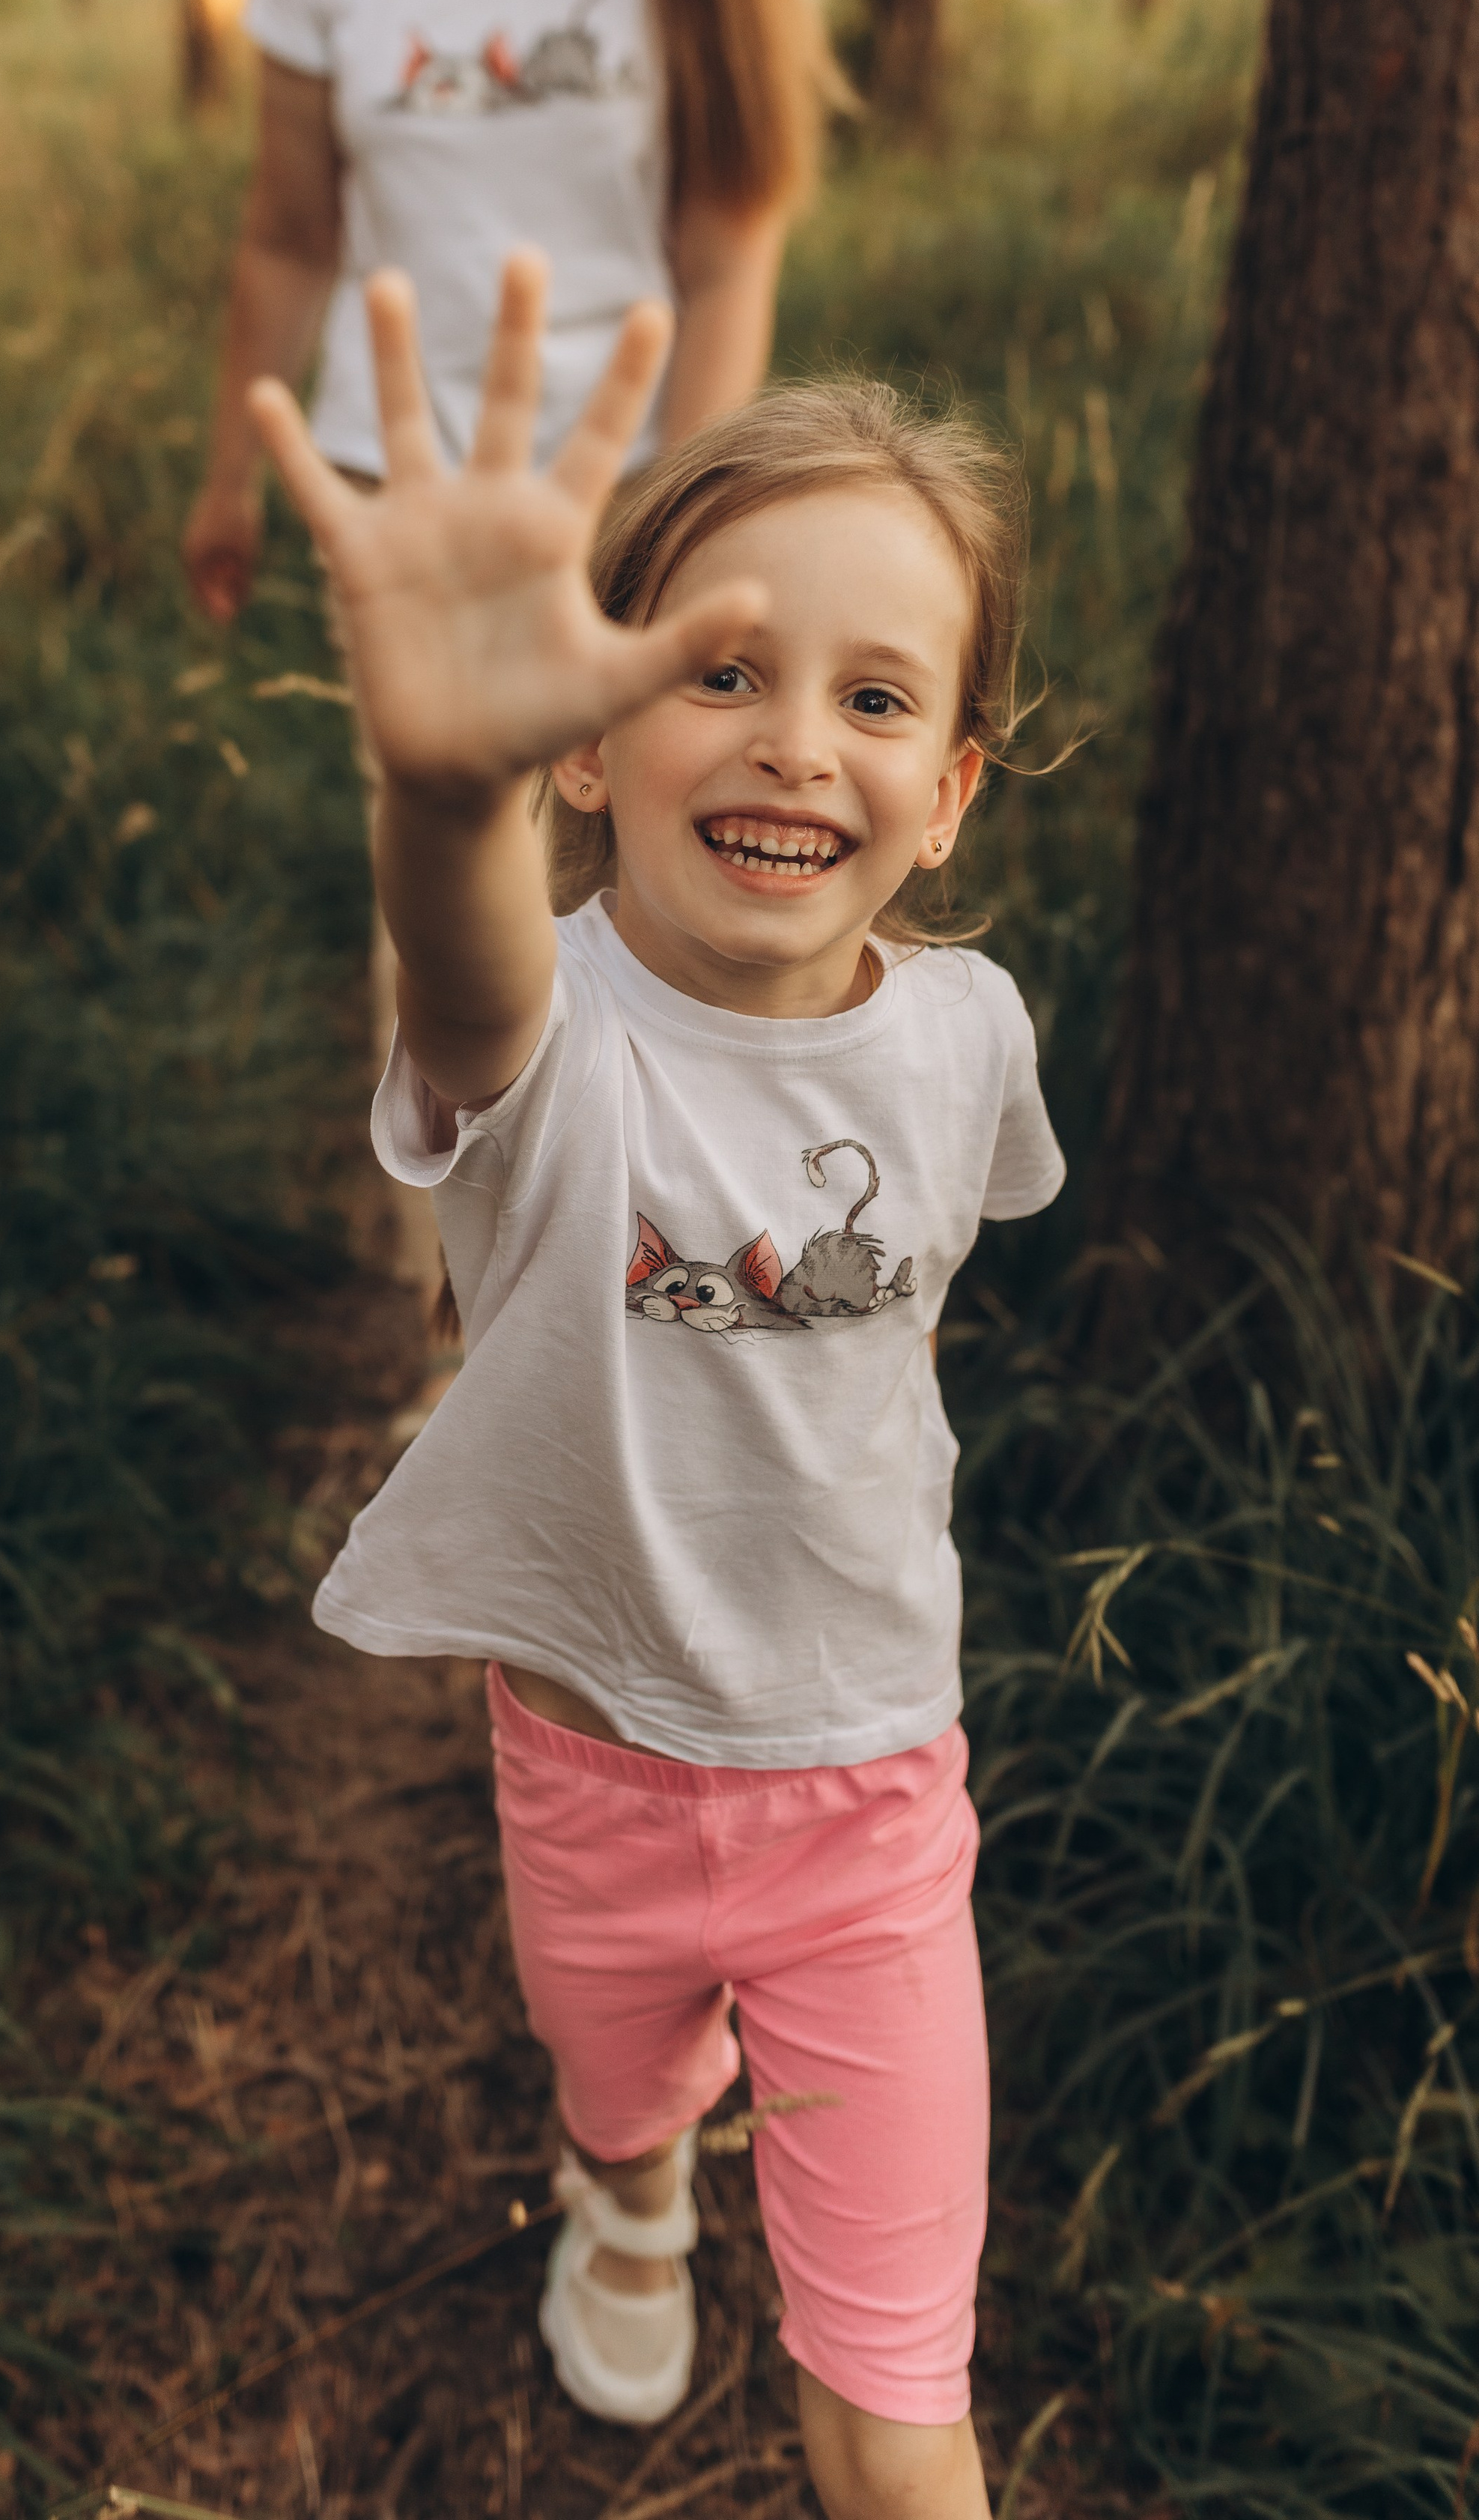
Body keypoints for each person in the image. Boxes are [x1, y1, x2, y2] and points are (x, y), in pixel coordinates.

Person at [246, 249, 1064, 2520]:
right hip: (592, 1767)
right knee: (617, 2079)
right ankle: (626, 2197)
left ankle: (695, 2196)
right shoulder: (555, 1039)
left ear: (951, 791)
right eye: (724, 670)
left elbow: (900, 1307)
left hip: (874, 1804)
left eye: (876, 699)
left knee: (900, 2395)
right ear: (590, 741)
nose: (800, 737)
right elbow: (468, 939)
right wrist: (439, 785)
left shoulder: (972, 1036)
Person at [182, 0, 830, 622]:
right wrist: (230, 480)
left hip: (628, 480)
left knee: (600, 778)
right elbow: (289, 234)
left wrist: (680, 526)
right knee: (432, 775)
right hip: (391, 480)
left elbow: (727, 267)